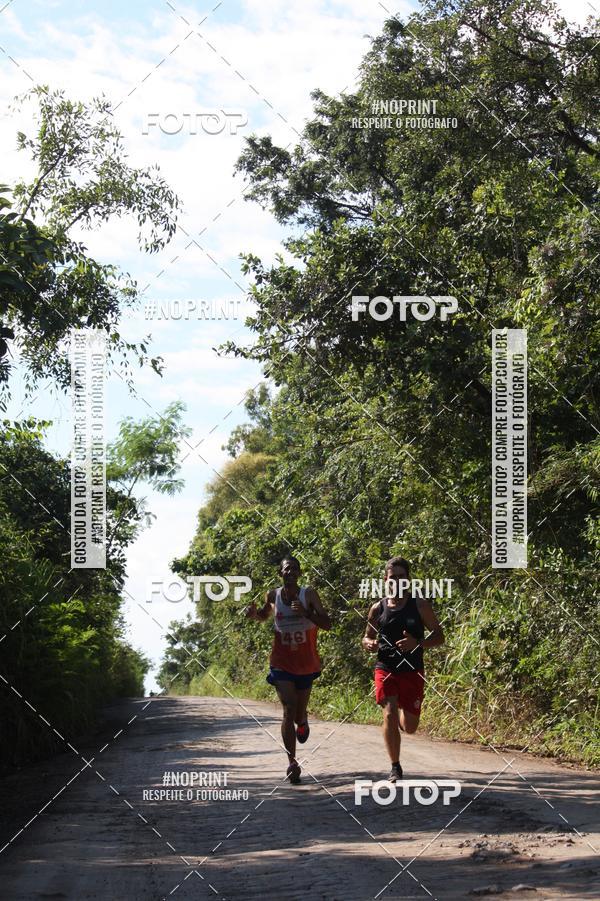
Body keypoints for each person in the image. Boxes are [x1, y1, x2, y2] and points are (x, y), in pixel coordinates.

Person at [246, 555, 331, 784]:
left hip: (306, 663)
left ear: (300, 574)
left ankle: (302, 722)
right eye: (286, 569)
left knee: (299, 713)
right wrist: (254, 614)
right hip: (281, 662)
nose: (291, 572)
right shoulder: (273, 595)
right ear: (280, 573)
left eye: (295, 569)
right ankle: (292, 762)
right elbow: (265, 615)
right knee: (288, 708)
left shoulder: (309, 595)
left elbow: (328, 623)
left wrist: (306, 613)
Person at [362, 556, 444, 782]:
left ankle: (400, 714)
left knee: (409, 727)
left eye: (401, 576)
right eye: (392, 577)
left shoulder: (419, 605)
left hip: (412, 669)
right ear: (385, 580)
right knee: (388, 711)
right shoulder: (377, 608)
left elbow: (439, 636)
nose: (397, 581)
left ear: (408, 579)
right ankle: (395, 767)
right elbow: (367, 637)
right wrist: (368, 644)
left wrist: (417, 643)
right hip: (386, 667)